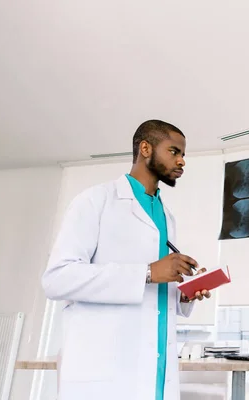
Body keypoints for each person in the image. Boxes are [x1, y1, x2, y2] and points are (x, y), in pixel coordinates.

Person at [42, 120, 211, 400]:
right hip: (106, 372)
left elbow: (154, 294)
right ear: (145, 148)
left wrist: (185, 294)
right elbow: (57, 279)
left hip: (156, 376)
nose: (181, 161)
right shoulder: (95, 201)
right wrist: (147, 272)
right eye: (174, 151)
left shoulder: (166, 216)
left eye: (183, 155)